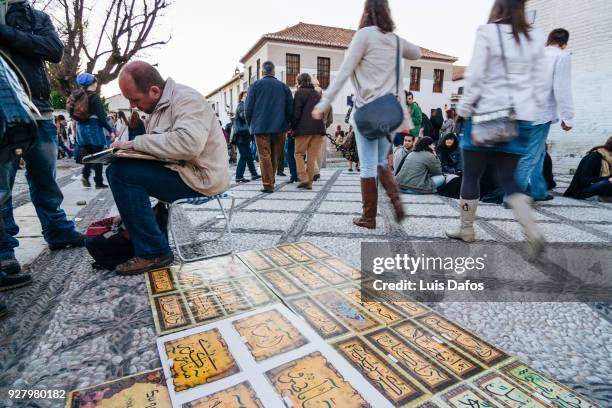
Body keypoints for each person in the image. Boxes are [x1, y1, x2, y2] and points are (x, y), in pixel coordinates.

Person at [108, 61, 230, 275]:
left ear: (154, 91)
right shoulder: (158, 106)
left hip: (200, 178)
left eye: (135, 100)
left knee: (122, 174)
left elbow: (188, 144)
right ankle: (145, 235)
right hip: (182, 171)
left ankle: (154, 252)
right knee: (119, 167)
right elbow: (162, 146)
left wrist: (137, 143)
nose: (134, 106)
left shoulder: (186, 99)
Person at [446, 0, 547, 258]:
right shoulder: (535, 37)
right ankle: (531, 230)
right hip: (521, 117)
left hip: (487, 115)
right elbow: (540, 82)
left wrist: (463, 110)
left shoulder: (488, 32)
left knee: (471, 175)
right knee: (508, 177)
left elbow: (476, 76)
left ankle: (466, 228)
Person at [312, 0, 421, 229]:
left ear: (366, 12)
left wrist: (324, 103)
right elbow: (417, 53)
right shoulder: (395, 40)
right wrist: (396, 43)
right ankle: (396, 199)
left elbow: (344, 72)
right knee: (381, 161)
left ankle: (368, 217)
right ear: (387, 13)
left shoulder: (363, 36)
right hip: (390, 113)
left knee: (368, 165)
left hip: (367, 113)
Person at [0, 0, 85, 289]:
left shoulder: (34, 15)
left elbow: (53, 49)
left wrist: (7, 34)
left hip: (40, 110)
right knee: (3, 187)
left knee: (45, 178)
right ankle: (4, 251)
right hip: (4, 110)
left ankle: (58, 230)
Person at [516, 28, 574, 202]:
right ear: (564, 43)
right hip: (540, 113)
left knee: (539, 153)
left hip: (521, 111)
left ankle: (538, 190)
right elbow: (561, 87)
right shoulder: (561, 56)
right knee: (529, 156)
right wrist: (567, 117)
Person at [245, 61, 293, 193]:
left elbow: (248, 108)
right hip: (279, 126)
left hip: (260, 126)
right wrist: (287, 123)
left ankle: (268, 184)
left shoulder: (254, 86)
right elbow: (290, 108)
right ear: (274, 71)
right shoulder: (284, 87)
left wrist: (250, 124)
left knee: (264, 155)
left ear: (262, 72)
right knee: (276, 154)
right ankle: (271, 181)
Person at [73, 73, 113, 188]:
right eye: (95, 82)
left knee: (89, 155)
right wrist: (110, 129)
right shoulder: (94, 97)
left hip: (81, 129)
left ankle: (85, 175)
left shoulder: (78, 97)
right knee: (98, 156)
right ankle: (98, 181)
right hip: (94, 128)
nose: (96, 84)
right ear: (92, 83)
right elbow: (101, 116)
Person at [292, 73, 326, 190]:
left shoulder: (299, 93)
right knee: (312, 156)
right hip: (318, 129)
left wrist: (293, 126)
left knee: (299, 154)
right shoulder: (317, 94)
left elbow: (296, 113)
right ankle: (309, 182)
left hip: (303, 130)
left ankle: (304, 178)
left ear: (299, 81)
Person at [564, 136, 612, 201]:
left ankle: (603, 197)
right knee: (606, 183)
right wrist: (608, 178)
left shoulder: (610, 158)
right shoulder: (594, 156)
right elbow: (584, 181)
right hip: (583, 190)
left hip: (600, 187)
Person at [233, 91, 261, 183]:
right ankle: (238, 176)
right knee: (244, 156)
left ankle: (254, 174)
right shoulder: (241, 105)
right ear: (241, 98)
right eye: (245, 96)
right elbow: (242, 116)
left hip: (244, 136)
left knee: (248, 156)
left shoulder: (244, 105)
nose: (247, 97)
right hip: (241, 136)